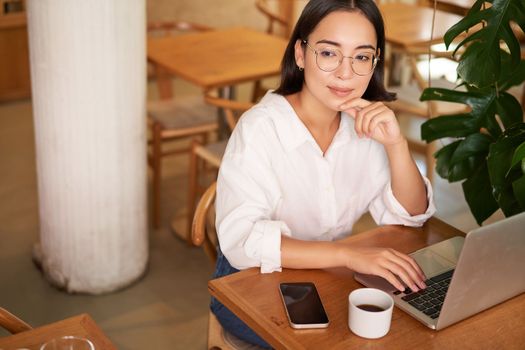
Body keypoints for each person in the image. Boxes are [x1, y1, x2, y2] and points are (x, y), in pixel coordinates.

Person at [211, 0, 436, 347]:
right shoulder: (260, 129)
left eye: (362, 57)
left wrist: (396, 146)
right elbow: (243, 242)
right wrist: (349, 255)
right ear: (300, 54)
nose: (346, 74)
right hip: (251, 279)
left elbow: (410, 215)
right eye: (329, 54)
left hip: (324, 272)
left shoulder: (364, 126)